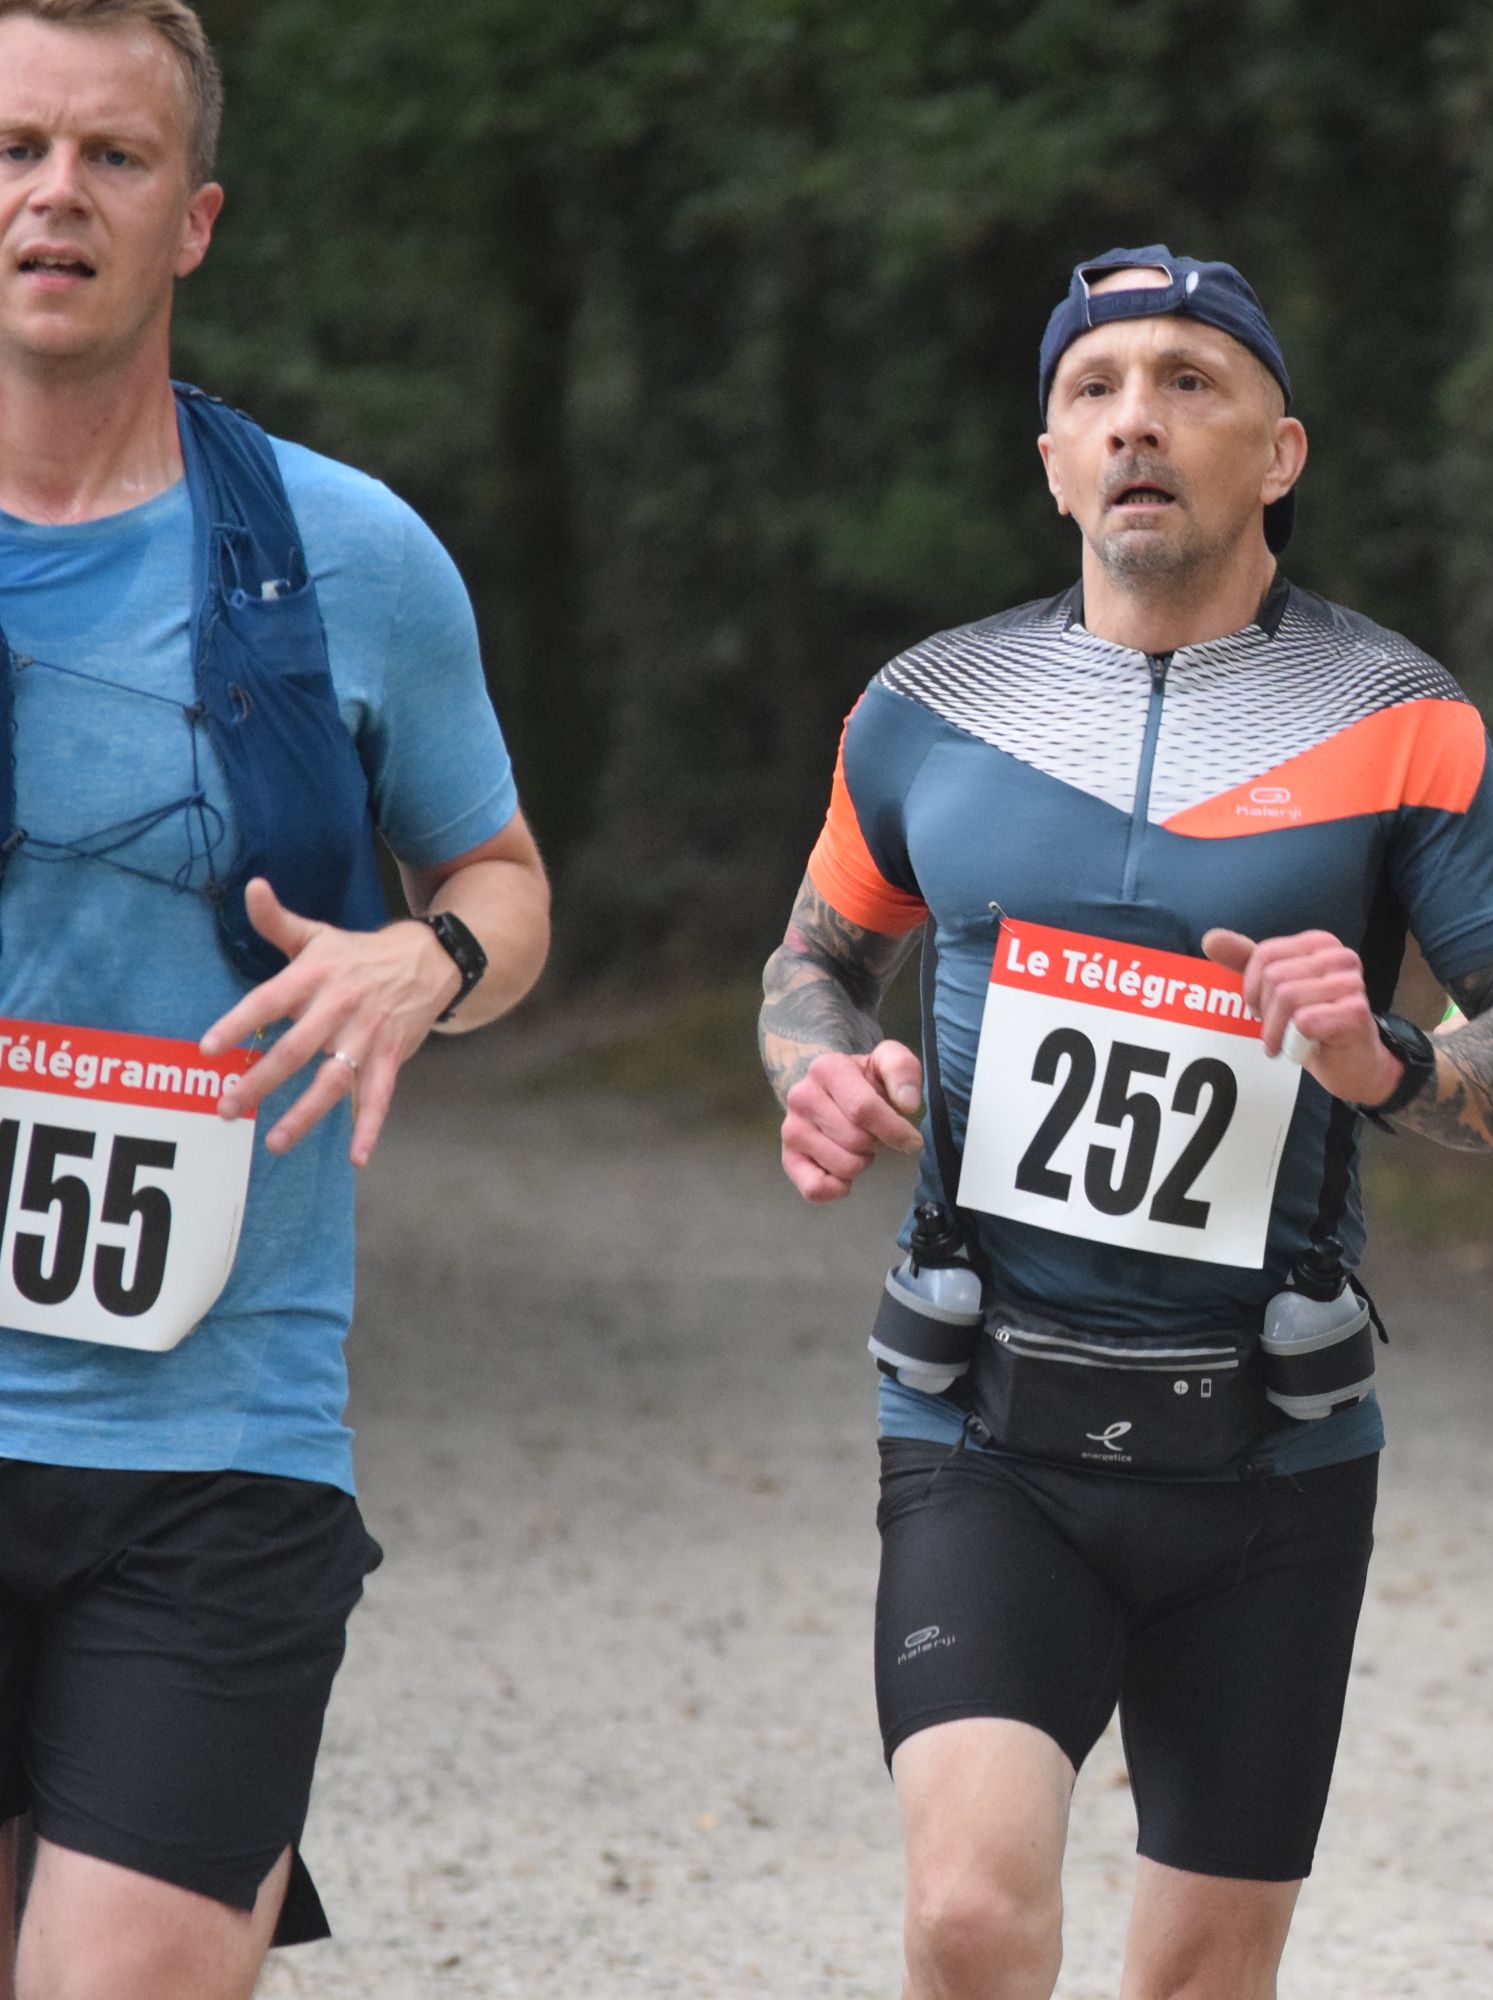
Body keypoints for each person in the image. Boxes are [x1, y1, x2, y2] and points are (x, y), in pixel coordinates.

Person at [757, 245, 1493, 2000]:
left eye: (1189, 383)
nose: (1137, 419)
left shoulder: (1401, 719)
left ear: (1280, 454)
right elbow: (816, 961)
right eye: (1097, 389)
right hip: (984, 1417)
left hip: (1271, 1444)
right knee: (968, 1918)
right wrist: (820, 1069)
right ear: (1052, 459)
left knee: (1204, 1974)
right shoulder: (927, 708)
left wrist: (1389, 1062)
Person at [0, 2, 552, 1993]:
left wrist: (427, 958)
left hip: (216, 1435)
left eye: (113, 156)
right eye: (14, 149)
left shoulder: (349, 554)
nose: (56, 194)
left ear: (196, 218)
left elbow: (501, 884)